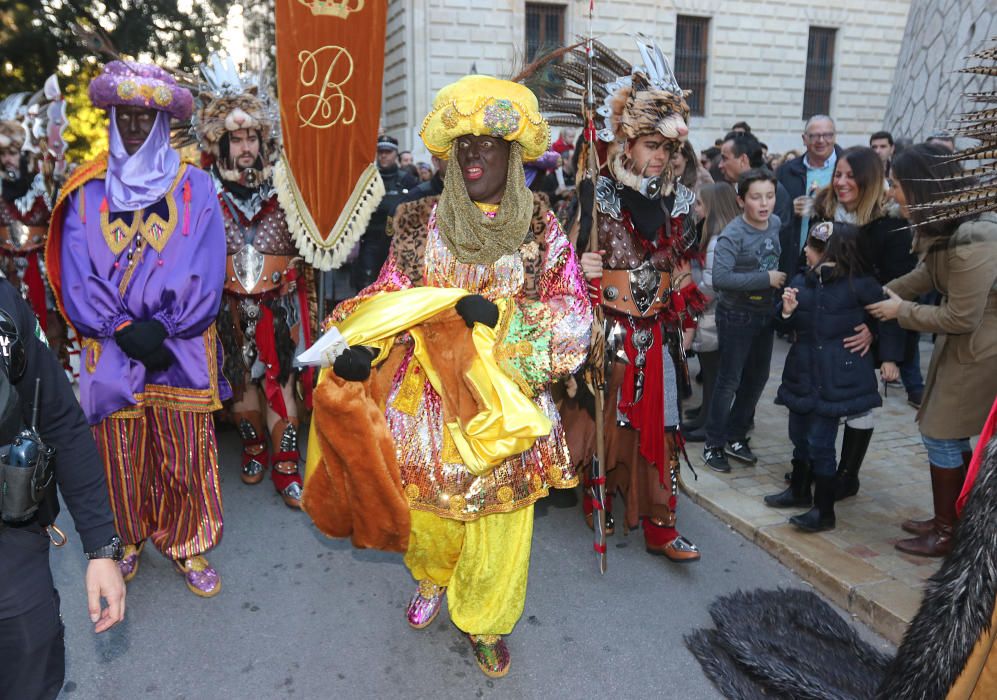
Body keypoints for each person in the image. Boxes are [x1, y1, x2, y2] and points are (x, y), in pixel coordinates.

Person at [308, 75, 591, 677]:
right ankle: (433, 580)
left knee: (500, 529)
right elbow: (386, 295)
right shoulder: (417, 224)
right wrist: (356, 346)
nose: (472, 153)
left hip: (503, 411)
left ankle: (487, 620)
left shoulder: (543, 228)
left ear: (513, 155)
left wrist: (505, 323)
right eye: (463, 142)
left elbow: (575, 318)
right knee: (432, 520)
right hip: (427, 410)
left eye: (488, 142)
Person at [46, 61, 228, 596]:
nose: (131, 126)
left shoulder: (196, 186)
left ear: (161, 122)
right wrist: (123, 325)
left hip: (180, 345)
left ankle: (189, 541)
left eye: (142, 117)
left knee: (183, 449)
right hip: (113, 345)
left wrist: (165, 325)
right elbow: (79, 267)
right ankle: (124, 538)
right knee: (117, 452)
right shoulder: (87, 190)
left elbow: (206, 265)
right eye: (123, 115)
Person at [548, 37, 706, 562]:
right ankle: (599, 494)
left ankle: (662, 524)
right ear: (627, 143)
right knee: (601, 422)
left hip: (657, 333)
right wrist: (581, 268)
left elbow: (683, 266)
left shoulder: (682, 202)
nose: (660, 158)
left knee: (662, 426)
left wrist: (686, 316)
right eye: (651, 146)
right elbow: (559, 264)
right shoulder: (595, 194)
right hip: (606, 329)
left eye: (667, 149)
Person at [193, 54, 315, 509]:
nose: (245, 146)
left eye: (251, 137)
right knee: (241, 381)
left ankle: (286, 466)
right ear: (221, 143)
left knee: (280, 380)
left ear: (263, 141)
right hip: (227, 306)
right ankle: (253, 449)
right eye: (236, 138)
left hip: (278, 302)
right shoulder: (202, 189)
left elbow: (314, 237)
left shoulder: (288, 185)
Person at [867, 142, 997, 558]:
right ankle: (952, 518)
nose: (890, 191)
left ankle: (947, 532)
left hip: (980, 348)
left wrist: (900, 310)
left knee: (940, 431)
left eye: (896, 183)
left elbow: (961, 317)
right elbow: (927, 273)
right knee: (946, 432)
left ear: (923, 187)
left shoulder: (975, 237)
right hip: (964, 346)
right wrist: (880, 294)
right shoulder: (948, 225)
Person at [0, 277, 125, 700]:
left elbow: (61, 422)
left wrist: (101, 548)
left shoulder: (4, 305)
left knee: (31, 672)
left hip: (12, 545)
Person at [809, 146, 923, 500]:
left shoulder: (891, 227)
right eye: (837, 174)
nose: (841, 182)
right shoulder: (825, 210)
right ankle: (819, 465)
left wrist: (873, 333)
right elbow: (811, 260)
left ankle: (847, 474)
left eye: (849, 175)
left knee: (860, 402)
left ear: (870, 180)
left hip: (871, 328)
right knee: (820, 393)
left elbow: (896, 291)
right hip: (828, 322)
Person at [764, 222, 884, 531]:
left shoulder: (859, 285)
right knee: (799, 436)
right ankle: (800, 490)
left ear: (830, 255)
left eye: (812, 248)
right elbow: (779, 322)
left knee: (821, 442)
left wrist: (874, 333)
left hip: (835, 378)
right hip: (803, 373)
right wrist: (786, 312)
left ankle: (825, 510)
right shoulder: (802, 282)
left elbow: (887, 313)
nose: (805, 251)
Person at [702, 169, 784, 473]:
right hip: (736, 315)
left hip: (766, 313)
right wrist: (766, 278)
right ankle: (713, 444)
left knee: (758, 379)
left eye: (770, 196)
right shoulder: (732, 234)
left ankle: (737, 436)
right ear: (741, 201)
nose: (764, 203)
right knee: (729, 380)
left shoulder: (775, 223)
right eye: (756, 197)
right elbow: (721, 279)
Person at [0, 98, 72, 366]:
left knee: (50, 339)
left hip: (44, 272)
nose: (6, 160)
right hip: (7, 273)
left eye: (12, 152)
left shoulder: (46, 187)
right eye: (2, 154)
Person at [683, 183, 740, 442]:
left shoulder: (718, 240)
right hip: (711, 315)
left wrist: (692, 301)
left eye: (700, 204)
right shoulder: (719, 235)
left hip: (712, 316)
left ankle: (710, 422)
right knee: (711, 373)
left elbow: (713, 283)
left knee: (715, 375)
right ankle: (705, 414)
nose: (696, 209)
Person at [776, 115, 842, 275]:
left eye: (827, 135)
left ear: (834, 137)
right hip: (793, 256)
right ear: (804, 139)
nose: (821, 140)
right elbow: (774, 211)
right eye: (814, 136)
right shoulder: (786, 171)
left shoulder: (848, 167)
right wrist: (789, 209)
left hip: (836, 257)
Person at [718, 132, 793, 270]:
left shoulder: (775, 191)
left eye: (724, 159)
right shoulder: (737, 186)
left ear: (743, 160)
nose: (720, 165)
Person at [352, 135, 418, 289]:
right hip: (371, 242)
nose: (383, 155)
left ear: (396, 154)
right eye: (380, 151)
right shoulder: (368, 180)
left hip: (398, 244)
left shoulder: (407, 180)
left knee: (396, 287)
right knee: (368, 285)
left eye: (387, 152)